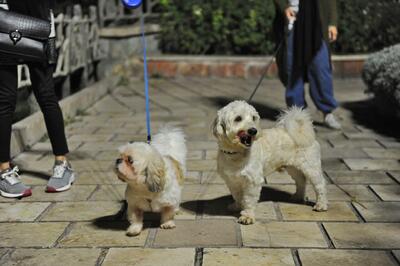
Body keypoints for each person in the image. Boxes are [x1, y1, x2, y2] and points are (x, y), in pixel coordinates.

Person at [0, 0, 75, 198]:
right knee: (5, 99)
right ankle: (4, 170)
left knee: (46, 94)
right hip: (2, 19)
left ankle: (62, 163)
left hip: (39, 22)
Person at [274, 0, 342, 129]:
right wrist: (284, 7)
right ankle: (298, 116)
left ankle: (327, 111)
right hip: (293, 20)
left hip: (317, 23)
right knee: (293, 69)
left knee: (321, 68)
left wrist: (332, 22)